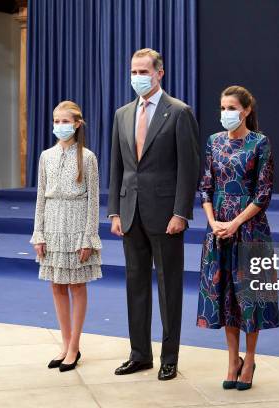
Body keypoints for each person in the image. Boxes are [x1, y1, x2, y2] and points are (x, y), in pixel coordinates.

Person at [107, 48, 200, 380]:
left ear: (160, 73)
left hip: (166, 215)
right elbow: (117, 166)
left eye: (143, 71)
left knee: (169, 287)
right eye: (133, 71)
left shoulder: (179, 112)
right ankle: (140, 354)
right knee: (136, 285)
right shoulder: (122, 114)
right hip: (130, 212)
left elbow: (189, 170)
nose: (137, 77)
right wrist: (114, 211)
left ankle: (169, 357)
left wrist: (181, 212)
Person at [196, 85, 279, 391]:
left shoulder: (260, 142)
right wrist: (214, 222)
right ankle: (232, 360)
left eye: (231, 108)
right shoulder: (213, 142)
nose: (225, 113)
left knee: (250, 297)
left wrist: (234, 223)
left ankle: (251, 358)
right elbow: (205, 186)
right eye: (222, 108)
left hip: (249, 228)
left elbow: (263, 193)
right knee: (226, 296)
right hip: (218, 228)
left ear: (245, 110)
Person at [30, 100, 102, 372]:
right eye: (56, 121)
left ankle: (75, 346)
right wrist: (38, 233)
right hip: (51, 226)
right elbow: (40, 197)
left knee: (76, 285)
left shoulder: (88, 157)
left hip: (76, 225)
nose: (60, 126)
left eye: (65, 121)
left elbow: (93, 200)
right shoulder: (46, 156)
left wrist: (88, 237)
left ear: (77, 124)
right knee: (56, 285)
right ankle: (64, 343)